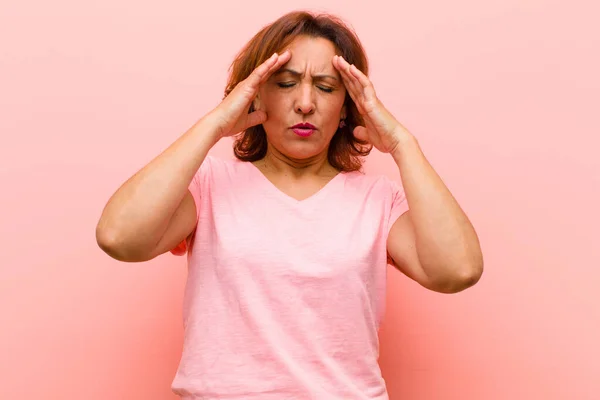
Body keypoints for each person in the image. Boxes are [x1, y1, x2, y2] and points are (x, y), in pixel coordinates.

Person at [96, 10, 484, 400]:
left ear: (349, 106)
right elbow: (119, 237)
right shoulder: (210, 185)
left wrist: (402, 143)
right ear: (256, 94)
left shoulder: (378, 201)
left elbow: (458, 270)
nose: (305, 103)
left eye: (327, 88)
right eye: (285, 83)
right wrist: (215, 123)